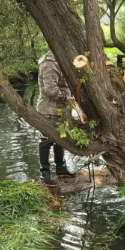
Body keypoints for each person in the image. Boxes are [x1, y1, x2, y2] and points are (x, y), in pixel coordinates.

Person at [35, 50, 75, 185]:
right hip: (49, 110)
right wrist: (66, 98)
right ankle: (44, 173)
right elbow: (49, 88)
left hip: (60, 109)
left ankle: (60, 167)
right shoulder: (48, 63)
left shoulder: (60, 59)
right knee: (46, 140)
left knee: (61, 138)